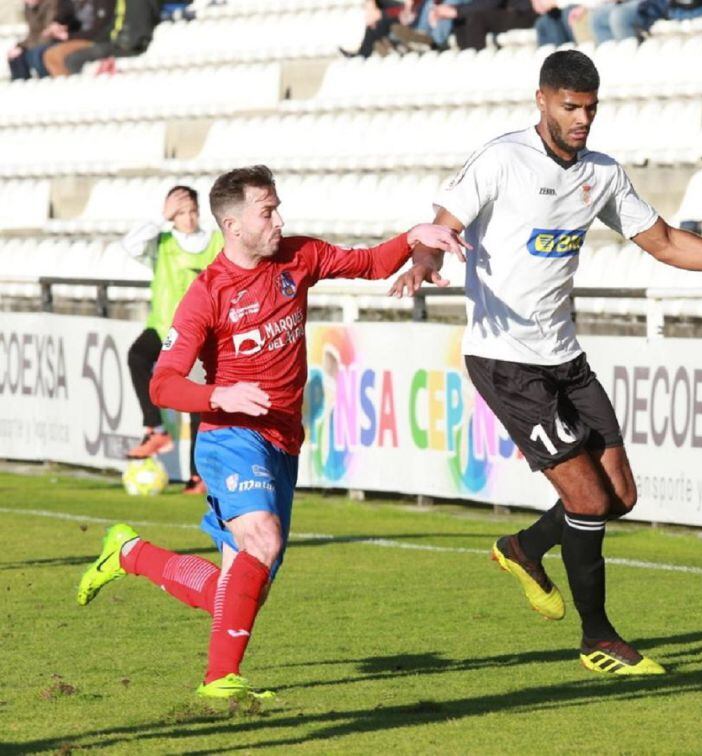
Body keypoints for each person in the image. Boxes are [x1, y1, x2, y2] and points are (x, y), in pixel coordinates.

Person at [391, 50, 702, 675]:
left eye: (590, 108)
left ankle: (525, 547)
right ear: (542, 100)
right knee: (587, 503)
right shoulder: (502, 159)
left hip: (566, 357)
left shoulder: (602, 174)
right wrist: (427, 260)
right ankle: (598, 637)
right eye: (570, 107)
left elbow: (665, 243)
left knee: (620, 496)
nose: (583, 119)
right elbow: (439, 226)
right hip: (506, 361)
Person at [76, 165, 465, 699]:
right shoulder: (207, 294)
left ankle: (129, 553)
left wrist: (413, 238)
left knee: (237, 589)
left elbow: (370, 263)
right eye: (268, 211)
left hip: (283, 440)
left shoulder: (296, 257)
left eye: (278, 206)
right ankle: (220, 683)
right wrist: (220, 395)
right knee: (262, 537)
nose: (280, 219)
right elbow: (164, 384)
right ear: (233, 226)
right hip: (230, 436)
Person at [122, 186, 223, 494]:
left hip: (200, 335)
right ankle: (156, 428)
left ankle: (198, 474)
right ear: (170, 215)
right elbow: (129, 245)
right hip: (164, 328)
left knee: (195, 403)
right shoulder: (162, 242)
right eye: (180, 212)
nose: (188, 217)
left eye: (192, 210)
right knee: (137, 356)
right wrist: (160, 217)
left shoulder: (215, 242)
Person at [7, 0, 77, 80]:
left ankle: (47, 83)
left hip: (56, 40)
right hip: (38, 42)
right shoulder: (29, 8)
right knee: (15, 57)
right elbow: (33, 33)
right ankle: (21, 86)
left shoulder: (52, 4)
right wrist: (20, 47)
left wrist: (25, 47)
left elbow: (49, 33)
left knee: (37, 54)